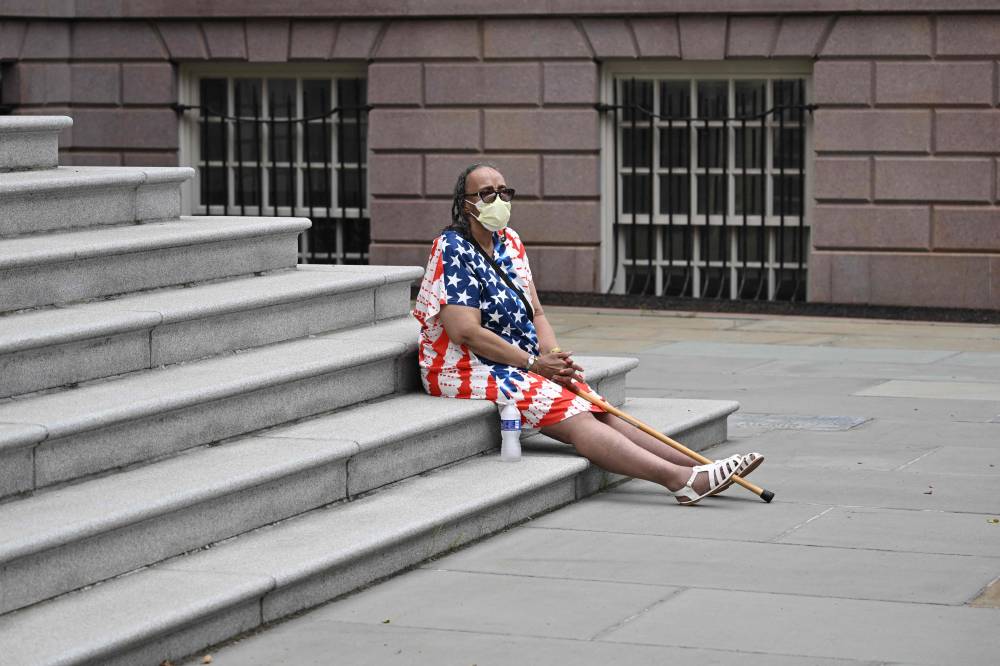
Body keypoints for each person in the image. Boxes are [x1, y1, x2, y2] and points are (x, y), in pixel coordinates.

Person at [413, 163, 763, 505]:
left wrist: (556, 359)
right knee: (575, 414)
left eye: (504, 191)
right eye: (486, 193)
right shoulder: (451, 248)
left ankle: (701, 468)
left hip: (520, 361)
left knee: (596, 404)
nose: (498, 199)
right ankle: (680, 481)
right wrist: (535, 365)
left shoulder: (510, 241)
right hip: (461, 368)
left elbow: (536, 311)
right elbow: (464, 332)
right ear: (465, 203)